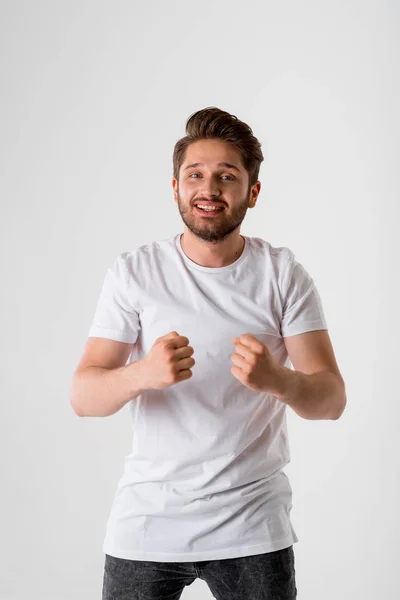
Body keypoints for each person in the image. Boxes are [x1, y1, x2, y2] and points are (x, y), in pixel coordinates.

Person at [70, 107, 346, 599]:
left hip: (254, 526)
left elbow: (330, 400)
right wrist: (142, 374)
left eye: (226, 176)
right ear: (174, 187)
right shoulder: (134, 272)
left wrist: (278, 380)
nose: (209, 188)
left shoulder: (283, 275)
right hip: (147, 522)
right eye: (194, 174)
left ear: (252, 192)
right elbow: (83, 397)